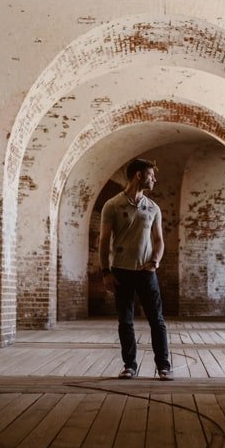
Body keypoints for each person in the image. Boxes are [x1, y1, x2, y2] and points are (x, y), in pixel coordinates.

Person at [97, 157, 172, 380]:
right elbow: (103, 241)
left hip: (146, 272)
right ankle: (130, 366)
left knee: (157, 321)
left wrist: (155, 261)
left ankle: (163, 367)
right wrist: (105, 272)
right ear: (139, 175)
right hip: (121, 270)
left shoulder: (153, 207)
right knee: (125, 321)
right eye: (151, 175)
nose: (154, 179)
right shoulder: (112, 205)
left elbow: (159, 240)